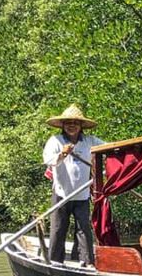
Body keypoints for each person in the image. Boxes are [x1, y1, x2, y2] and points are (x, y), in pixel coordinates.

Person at [43, 104, 104, 266]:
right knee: (58, 229)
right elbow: (49, 160)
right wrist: (62, 153)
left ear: (81, 126)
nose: (72, 126)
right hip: (61, 194)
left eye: (75, 123)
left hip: (82, 195)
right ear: (63, 125)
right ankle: (55, 262)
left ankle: (86, 262)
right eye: (68, 123)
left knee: (84, 229)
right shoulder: (55, 141)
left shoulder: (90, 141)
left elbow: (109, 148)